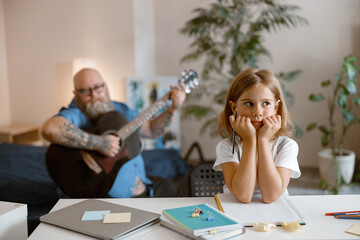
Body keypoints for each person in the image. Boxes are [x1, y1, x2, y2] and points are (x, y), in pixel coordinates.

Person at [41, 68, 186, 198]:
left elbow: (152, 131)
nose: (94, 95)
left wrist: (172, 108)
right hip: (103, 189)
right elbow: (50, 129)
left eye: (98, 87)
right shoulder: (77, 113)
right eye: (86, 91)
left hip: (142, 183)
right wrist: (98, 143)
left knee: (172, 190)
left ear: (105, 86)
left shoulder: (119, 109)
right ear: (76, 94)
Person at [213, 68, 300, 204]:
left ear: (276, 107)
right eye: (249, 103)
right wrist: (250, 141)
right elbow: (243, 196)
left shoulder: (286, 146)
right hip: (235, 211)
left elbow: (270, 196)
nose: (257, 112)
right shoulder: (227, 146)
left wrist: (263, 140)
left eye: (266, 103)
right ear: (234, 107)